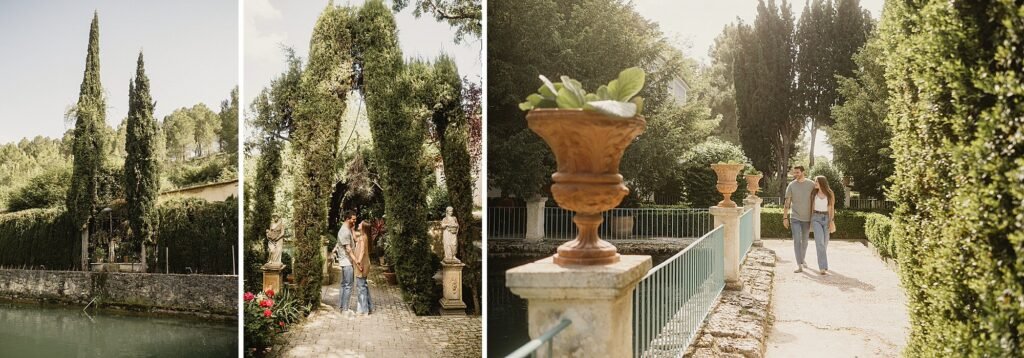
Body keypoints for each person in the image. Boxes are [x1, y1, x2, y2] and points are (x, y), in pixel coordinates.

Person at [783, 166, 815, 273]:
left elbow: (819, 195)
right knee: (797, 240)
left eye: (797, 172)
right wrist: (785, 217)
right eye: (794, 173)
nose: (795, 174)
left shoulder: (811, 184)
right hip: (795, 217)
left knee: (805, 241)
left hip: (807, 218)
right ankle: (799, 264)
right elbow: (787, 202)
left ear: (803, 172)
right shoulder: (791, 185)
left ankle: (802, 259)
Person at [808, 176, 836, 275]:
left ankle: (822, 261)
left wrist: (831, 220)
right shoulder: (813, 193)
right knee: (819, 242)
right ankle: (822, 267)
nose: (815, 183)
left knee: (824, 243)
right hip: (816, 218)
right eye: (815, 181)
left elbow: (832, 208)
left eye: (816, 181)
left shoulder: (830, 193)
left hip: (826, 218)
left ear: (821, 183)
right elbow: (811, 207)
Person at [332, 211, 358, 312]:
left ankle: (341, 307)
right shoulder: (345, 231)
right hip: (347, 262)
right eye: (353, 219)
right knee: (348, 286)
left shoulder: (345, 229)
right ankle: (345, 309)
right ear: (347, 219)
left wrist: (352, 230)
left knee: (344, 285)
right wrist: (356, 261)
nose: (355, 221)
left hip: (344, 261)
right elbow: (348, 249)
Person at [353, 220, 374, 315]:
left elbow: (362, 252)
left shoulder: (362, 238)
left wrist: (358, 263)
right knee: (364, 286)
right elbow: (355, 239)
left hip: (362, 264)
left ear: (364, 227)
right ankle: (369, 308)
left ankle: (363, 310)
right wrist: (352, 229)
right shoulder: (364, 237)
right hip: (365, 263)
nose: (359, 224)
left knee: (361, 288)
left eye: (360, 223)